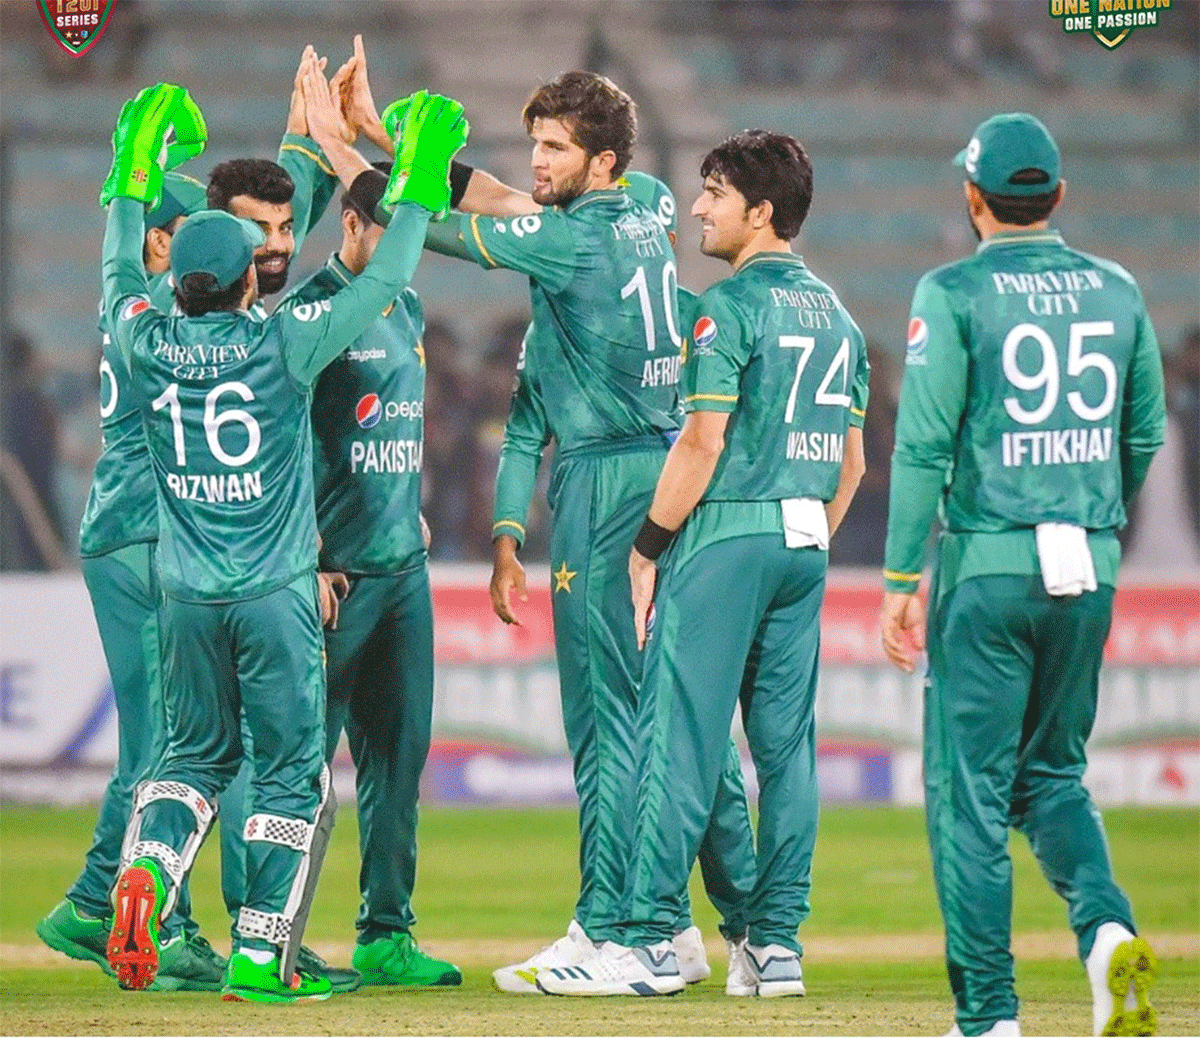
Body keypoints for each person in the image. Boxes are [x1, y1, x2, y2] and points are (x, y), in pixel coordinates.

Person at [98, 77, 466, 1003]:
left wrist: (130, 178)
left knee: (189, 762)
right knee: (295, 777)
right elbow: (383, 279)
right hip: (275, 596)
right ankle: (263, 957)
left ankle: (145, 873)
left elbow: (116, 274)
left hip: (183, 594)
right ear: (238, 277)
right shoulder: (283, 342)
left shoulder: (142, 337)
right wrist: (419, 181)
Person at [421, 71, 758, 991]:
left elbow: (451, 230)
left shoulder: (569, 246)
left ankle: (615, 928)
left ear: (601, 159)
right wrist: (390, 137)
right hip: (670, 466)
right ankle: (752, 930)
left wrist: (352, 161)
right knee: (682, 714)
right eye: (534, 143)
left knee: (608, 718)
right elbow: (506, 200)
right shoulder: (644, 201)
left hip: (608, 480)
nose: (534, 161)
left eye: (555, 147)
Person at [537, 129, 868, 997]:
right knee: (787, 749)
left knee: (677, 737)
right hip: (806, 541)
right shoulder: (840, 317)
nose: (697, 207)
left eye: (714, 193)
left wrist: (648, 548)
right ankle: (774, 946)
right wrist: (805, 528)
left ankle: (646, 941)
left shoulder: (731, 306)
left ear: (760, 213)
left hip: (726, 537)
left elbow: (703, 439)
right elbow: (855, 467)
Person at [877, 113, 1165, 1037]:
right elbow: (1146, 430)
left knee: (969, 797)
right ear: (1060, 198)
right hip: (1088, 565)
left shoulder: (953, 291)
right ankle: (1108, 932)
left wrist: (896, 579)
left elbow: (922, 446)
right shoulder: (1118, 290)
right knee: (1054, 778)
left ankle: (992, 1017)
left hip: (987, 566)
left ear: (972, 199)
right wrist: (1087, 508)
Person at [35, 173, 228, 992]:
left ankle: (159, 911)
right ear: (161, 241)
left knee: (167, 739)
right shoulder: (169, 306)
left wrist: (125, 180)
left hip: (126, 531)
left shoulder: (132, 301)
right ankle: (94, 901)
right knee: (166, 743)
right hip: (144, 533)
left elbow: (121, 254)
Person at [280, 156, 461, 986]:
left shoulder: (409, 307)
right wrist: (306, 554)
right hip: (334, 580)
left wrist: (406, 507)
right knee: (300, 770)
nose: (405, 248)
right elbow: (282, 451)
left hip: (403, 573)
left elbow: (390, 430)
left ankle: (385, 933)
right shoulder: (309, 315)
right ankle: (269, 936)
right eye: (390, 228)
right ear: (350, 224)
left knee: (398, 762)